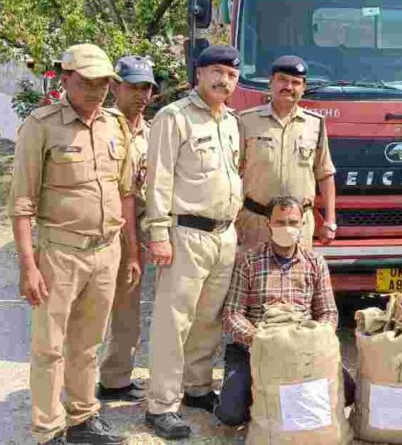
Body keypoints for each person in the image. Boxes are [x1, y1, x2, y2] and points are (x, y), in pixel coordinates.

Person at [7, 44, 137, 444]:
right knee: (49, 347)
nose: (97, 90)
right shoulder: (41, 125)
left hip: (106, 251)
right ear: (65, 79)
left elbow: (126, 192)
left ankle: (83, 418)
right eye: (87, 82)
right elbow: (21, 204)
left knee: (87, 344)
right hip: (60, 254)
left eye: (103, 83)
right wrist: (29, 266)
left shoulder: (116, 125)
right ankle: (48, 429)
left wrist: (131, 253)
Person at [142, 45, 243, 439]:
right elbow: (159, 180)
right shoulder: (174, 117)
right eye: (216, 72)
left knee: (207, 320)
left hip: (223, 235)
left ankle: (197, 388)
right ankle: (161, 405)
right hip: (185, 234)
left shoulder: (231, 121)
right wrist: (158, 235)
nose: (224, 80)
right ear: (198, 74)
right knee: (173, 322)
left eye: (232, 75)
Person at [216, 196, 353, 426]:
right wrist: (257, 338)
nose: (286, 228)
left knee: (348, 390)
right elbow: (232, 314)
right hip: (256, 350)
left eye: (293, 222)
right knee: (231, 414)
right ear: (268, 224)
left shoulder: (315, 263)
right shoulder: (249, 262)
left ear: (302, 225)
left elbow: (328, 313)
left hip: (303, 349)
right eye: (279, 222)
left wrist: (313, 338)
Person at [97, 55, 157, 403]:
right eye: (133, 86)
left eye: (147, 87)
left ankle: (115, 379)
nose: (142, 94)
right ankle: (77, 392)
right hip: (104, 228)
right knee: (92, 310)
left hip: (137, 227)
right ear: (115, 87)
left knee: (127, 307)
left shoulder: (149, 133)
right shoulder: (102, 125)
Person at [236, 55, 337, 252]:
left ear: (303, 87)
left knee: (297, 281)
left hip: (299, 225)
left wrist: (330, 221)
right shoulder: (246, 121)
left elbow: (325, 173)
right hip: (257, 222)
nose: (289, 87)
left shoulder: (315, 124)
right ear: (271, 82)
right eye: (282, 80)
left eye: (296, 83)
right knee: (257, 281)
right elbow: (232, 172)